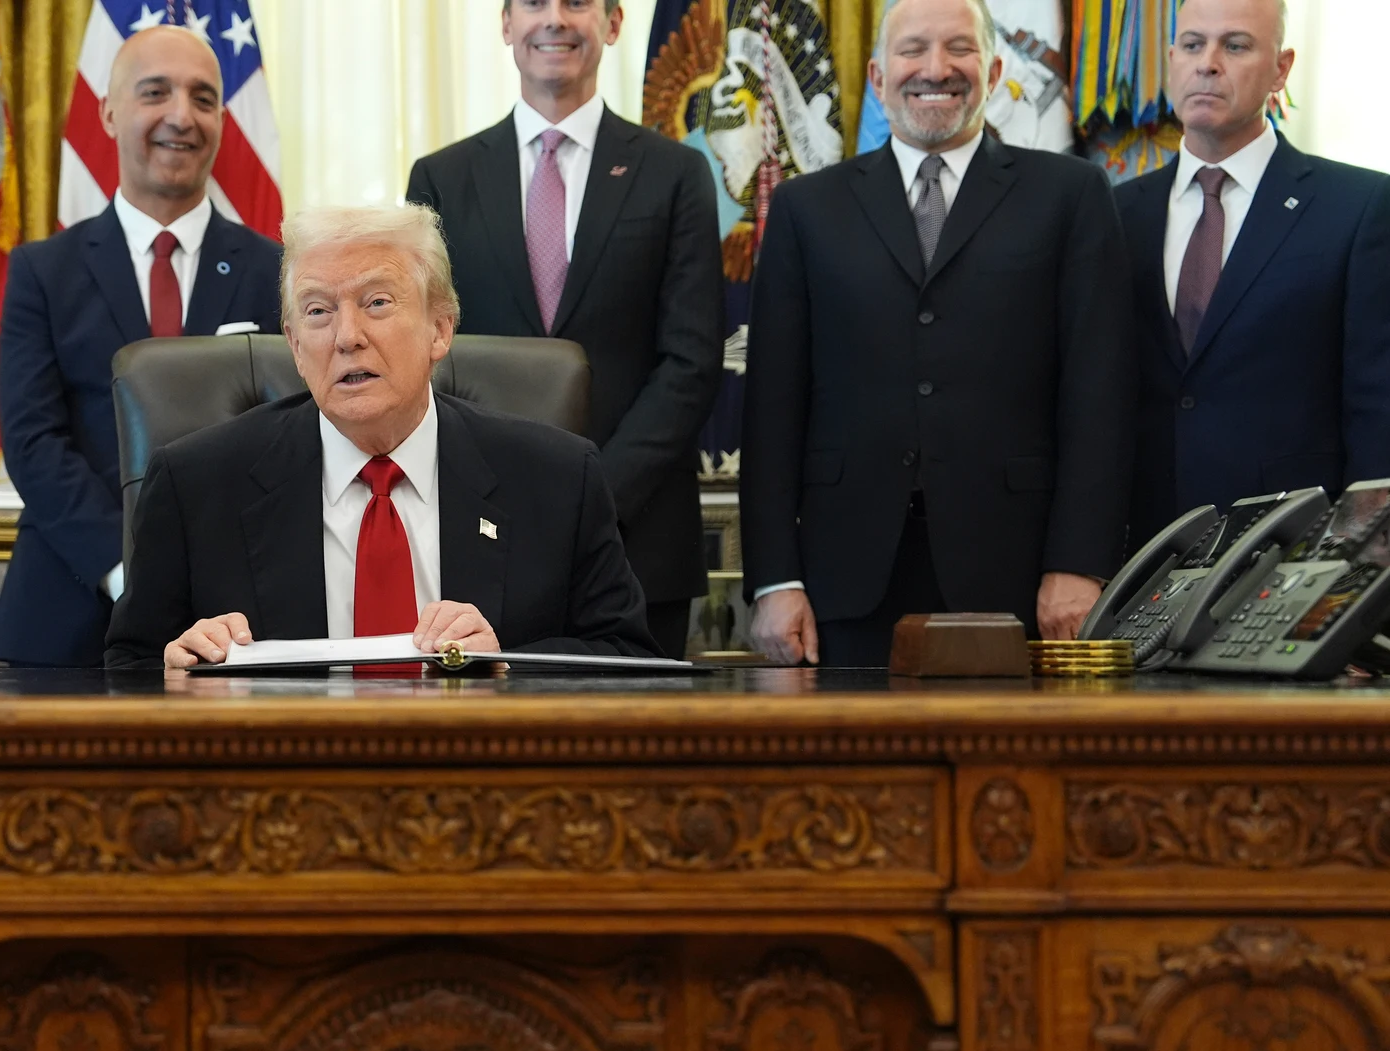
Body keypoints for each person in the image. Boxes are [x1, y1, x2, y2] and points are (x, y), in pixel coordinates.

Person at [740, 0, 1134, 668]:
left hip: (1021, 575)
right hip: (845, 582)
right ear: (876, 74)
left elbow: (1099, 394)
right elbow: (773, 409)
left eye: (960, 48)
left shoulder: (1072, 194)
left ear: (997, 68)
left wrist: (1080, 561)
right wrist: (776, 579)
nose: (936, 68)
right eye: (913, 49)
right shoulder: (809, 209)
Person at [104, 204, 658, 670]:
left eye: (377, 303)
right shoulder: (197, 485)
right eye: (319, 312)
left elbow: (627, 659)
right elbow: (129, 671)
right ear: (295, 347)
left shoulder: (557, 477)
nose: (347, 337)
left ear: (440, 328)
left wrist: (506, 669)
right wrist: (177, 673)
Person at [405, 0, 723, 660]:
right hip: (478, 530)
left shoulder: (677, 174)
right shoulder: (440, 179)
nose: (555, 20)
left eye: (577, 3)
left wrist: (590, 496)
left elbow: (690, 361)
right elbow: (422, 354)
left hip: (640, 540)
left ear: (611, 24)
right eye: (534, 4)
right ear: (505, 24)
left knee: (636, 758)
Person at [0, 25, 283, 668]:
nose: (182, 115)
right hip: (67, 610)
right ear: (109, 110)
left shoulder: (279, 273)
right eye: (156, 92)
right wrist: (127, 572)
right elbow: (34, 442)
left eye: (204, 98)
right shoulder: (43, 272)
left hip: (238, 620)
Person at [1116, 0, 1390, 544]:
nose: (1208, 63)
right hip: (1141, 550)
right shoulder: (1114, 213)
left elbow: (1377, 402)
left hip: (1292, 549)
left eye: (1235, 45)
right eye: (1192, 45)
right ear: (1171, 60)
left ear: (1281, 68)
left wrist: (1362, 555)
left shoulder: (1359, 206)